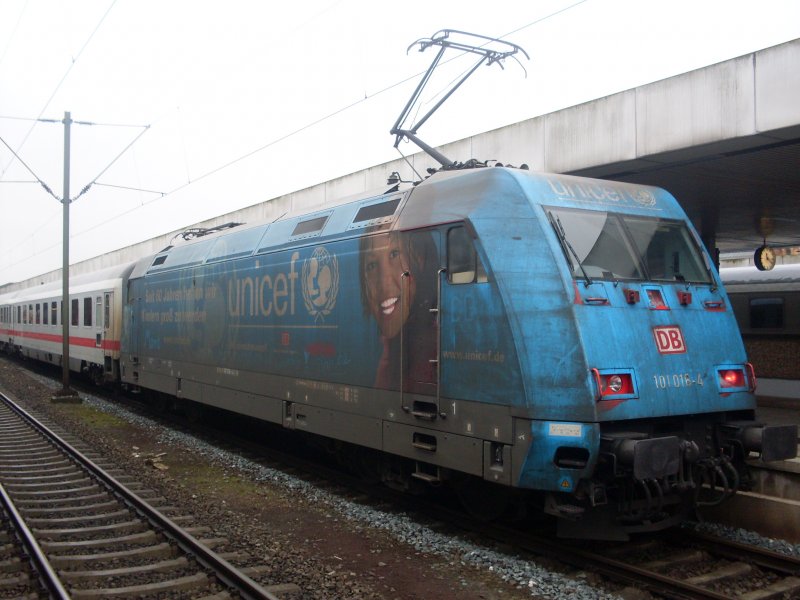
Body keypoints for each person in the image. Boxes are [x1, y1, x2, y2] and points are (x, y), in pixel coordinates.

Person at [359, 230, 439, 393]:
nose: (384, 283)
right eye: (372, 265)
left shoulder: (434, 355)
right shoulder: (389, 361)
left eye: (394, 254)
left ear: (420, 259)